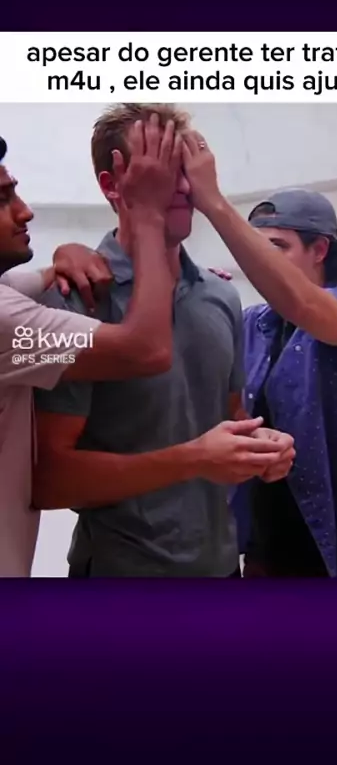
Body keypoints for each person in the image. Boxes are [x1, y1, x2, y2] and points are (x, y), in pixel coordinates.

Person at [33, 103, 294, 578]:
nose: (183, 187)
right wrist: (193, 460)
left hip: (220, 569)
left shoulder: (220, 295)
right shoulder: (74, 301)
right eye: (159, 170)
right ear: (112, 185)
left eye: (185, 169)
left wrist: (257, 444)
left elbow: (227, 417)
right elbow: (50, 480)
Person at [180, 129, 337, 577]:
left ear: (320, 250)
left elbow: (303, 304)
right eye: (256, 248)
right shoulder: (252, 323)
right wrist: (199, 295)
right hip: (264, 547)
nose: (261, 260)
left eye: (276, 247)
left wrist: (214, 202)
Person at [0, 117, 199, 577]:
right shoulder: (9, 318)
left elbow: (43, 276)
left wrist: (68, 251)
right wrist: (147, 215)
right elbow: (147, 349)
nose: (25, 212)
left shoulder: (10, 292)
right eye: (2, 198)